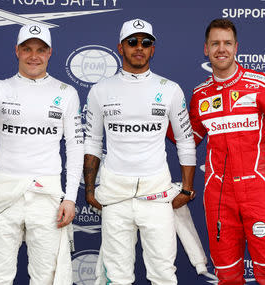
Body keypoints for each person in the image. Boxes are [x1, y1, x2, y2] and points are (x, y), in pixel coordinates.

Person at [0, 24, 84, 285]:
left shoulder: (66, 93)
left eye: (40, 50)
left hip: (48, 198)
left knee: (47, 279)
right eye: (27, 49)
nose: (34, 56)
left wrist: (70, 198)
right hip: (4, 197)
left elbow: (75, 147)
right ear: (16, 51)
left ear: (50, 53)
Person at [83, 18, 199, 285]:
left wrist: (187, 188)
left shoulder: (169, 89)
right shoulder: (100, 90)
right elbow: (92, 142)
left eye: (146, 42)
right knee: (117, 275)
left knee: (163, 274)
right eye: (132, 42)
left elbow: (185, 140)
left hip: (156, 194)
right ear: (120, 47)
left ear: (153, 49)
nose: (139, 47)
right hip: (115, 195)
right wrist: (90, 190)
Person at [188, 19, 265, 284]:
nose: (221, 49)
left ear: (236, 47)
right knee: (226, 276)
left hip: (257, 192)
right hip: (218, 196)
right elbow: (186, 139)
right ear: (206, 49)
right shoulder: (200, 94)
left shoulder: (261, 84)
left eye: (227, 43)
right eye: (215, 43)